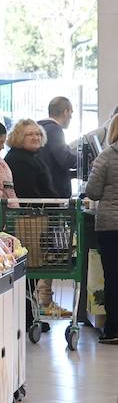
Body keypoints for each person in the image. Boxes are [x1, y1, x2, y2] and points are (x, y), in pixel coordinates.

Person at [5, 120, 70, 320]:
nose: (36, 137)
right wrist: (56, 204)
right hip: (28, 221)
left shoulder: (32, 157)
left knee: (33, 268)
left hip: (36, 219)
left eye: (38, 134)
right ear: (18, 137)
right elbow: (28, 192)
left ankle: (31, 313)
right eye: (30, 134)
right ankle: (28, 314)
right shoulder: (19, 160)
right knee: (30, 267)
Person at [83, 115, 118, 343]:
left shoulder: (106, 156)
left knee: (113, 277)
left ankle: (113, 329)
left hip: (111, 226)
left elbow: (93, 192)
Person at [37, 96, 78, 198]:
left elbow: (53, 164)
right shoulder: (55, 130)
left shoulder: (40, 128)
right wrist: (84, 161)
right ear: (66, 112)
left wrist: (75, 174)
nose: (71, 117)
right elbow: (65, 159)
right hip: (55, 194)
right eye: (71, 112)